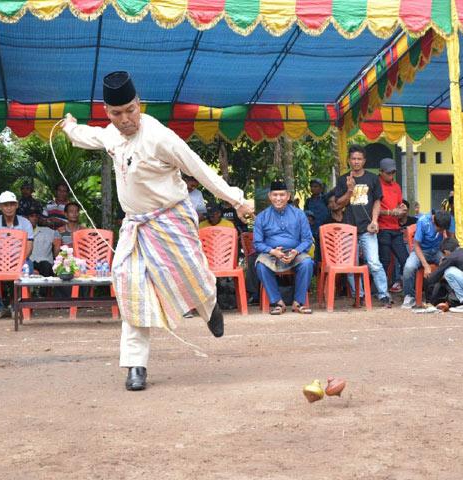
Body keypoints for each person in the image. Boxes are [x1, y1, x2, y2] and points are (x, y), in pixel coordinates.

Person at [61, 71, 253, 391]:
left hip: (172, 221)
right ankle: (136, 364)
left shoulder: (160, 138)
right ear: (107, 112)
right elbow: (89, 136)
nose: (125, 119)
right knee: (130, 286)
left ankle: (210, 307)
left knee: (194, 277)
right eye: (116, 113)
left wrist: (237, 200)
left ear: (140, 105)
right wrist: (69, 128)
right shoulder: (111, 134)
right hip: (136, 227)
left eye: (130, 111)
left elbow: (199, 169)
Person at [335, 144, 393, 307]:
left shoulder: (373, 178)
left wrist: (374, 221)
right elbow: (338, 204)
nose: (356, 162)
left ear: (364, 161)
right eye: (353, 159)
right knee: (351, 265)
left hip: (368, 228)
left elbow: (377, 201)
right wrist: (349, 190)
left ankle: (383, 294)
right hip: (348, 230)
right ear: (348, 160)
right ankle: (359, 295)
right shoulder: (343, 179)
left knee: (374, 263)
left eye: (359, 159)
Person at [253, 180, 314, 315]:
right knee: (260, 265)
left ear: (288, 196)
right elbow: (257, 243)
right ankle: (278, 303)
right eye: (275, 195)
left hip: (295, 253)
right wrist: (272, 251)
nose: (278, 198)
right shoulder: (262, 217)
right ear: (269, 196)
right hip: (271, 254)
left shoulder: (299, 215)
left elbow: (307, 240)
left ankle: (298, 303)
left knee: (307, 262)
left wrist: (296, 251)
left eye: (282, 195)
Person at [0, 191, 34, 319]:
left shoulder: (25, 223)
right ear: (0, 207)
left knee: (28, 268)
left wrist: (19, 261)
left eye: (12, 204)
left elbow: (29, 246)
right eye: (5, 205)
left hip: (20, 260)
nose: (9, 207)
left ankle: (16, 306)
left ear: (17, 205)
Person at [401, 210, 452, 308]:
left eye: (443, 230)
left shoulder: (445, 220)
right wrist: (426, 265)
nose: (441, 232)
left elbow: (449, 240)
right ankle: (409, 296)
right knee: (409, 267)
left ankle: (450, 296)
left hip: (437, 251)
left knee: (450, 265)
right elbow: (416, 245)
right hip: (421, 250)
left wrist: (446, 257)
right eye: (440, 229)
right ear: (433, 221)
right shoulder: (423, 221)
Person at [376, 158, 408, 297]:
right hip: (382, 228)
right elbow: (372, 208)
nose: (391, 176)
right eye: (388, 173)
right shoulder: (375, 185)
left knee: (405, 259)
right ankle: (381, 291)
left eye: (393, 172)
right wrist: (390, 212)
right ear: (381, 172)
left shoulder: (396, 186)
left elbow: (400, 204)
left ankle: (406, 289)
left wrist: (403, 208)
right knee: (384, 260)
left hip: (395, 228)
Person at [28, 207, 57, 278]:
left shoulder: (48, 231)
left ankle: (44, 289)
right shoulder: (22, 232)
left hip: (46, 264)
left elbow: (58, 241)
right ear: (26, 218)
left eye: (36, 216)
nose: (34, 218)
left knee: (45, 264)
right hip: (29, 263)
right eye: (32, 216)